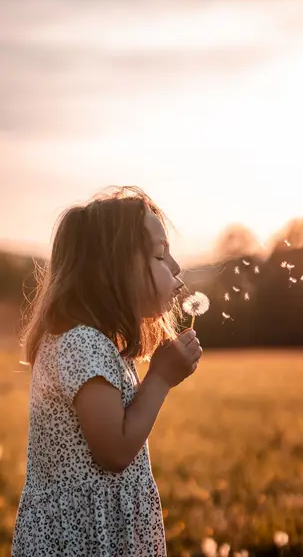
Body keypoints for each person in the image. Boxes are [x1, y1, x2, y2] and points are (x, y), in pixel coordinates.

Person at [12, 186, 203, 556]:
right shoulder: (82, 344)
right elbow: (114, 451)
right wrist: (161, 378)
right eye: (161, 254)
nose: (176, 267)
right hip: (82, 538)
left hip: (97, 529)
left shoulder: (99, 344)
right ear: (114, 270)